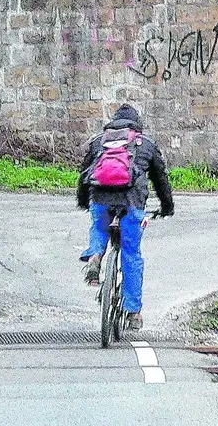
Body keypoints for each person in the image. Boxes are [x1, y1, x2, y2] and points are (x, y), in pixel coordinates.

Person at [75, 104, 175, 332]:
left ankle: (95, 255)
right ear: (135, 124)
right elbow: (161, 180)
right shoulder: (145, 144)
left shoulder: (99, 142)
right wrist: (167, 207)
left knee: (99, 227)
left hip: (101, 198)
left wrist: (83, 202)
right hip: (131, 204)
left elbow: (83, 176)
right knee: (131, 255)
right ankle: (133, 313)